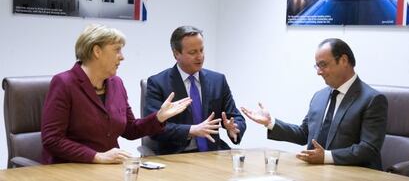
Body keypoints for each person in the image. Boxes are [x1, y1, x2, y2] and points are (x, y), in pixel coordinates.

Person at [41, 24, 192, 164]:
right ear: (97, 51)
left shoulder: (116, 83)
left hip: (108, 170)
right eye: (117, 50)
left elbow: (130, 129)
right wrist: (97, 156)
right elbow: (52, 139)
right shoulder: (64, 83)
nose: (122, 56)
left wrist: (159, 117)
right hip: (69, 169)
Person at [241, 38, 388, 170]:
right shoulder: (320, 96)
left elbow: (369, 149)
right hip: (317, 173)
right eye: (316, 66)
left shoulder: (372, 99)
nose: (318, 72)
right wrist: (270, 123)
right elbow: (304, 134)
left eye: (323, 65)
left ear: (343, 60)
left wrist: (326, 157)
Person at [144, 26, 246, 154]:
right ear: (176, 54)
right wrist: (191, 130)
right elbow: (153, 129)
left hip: (212, 153)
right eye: (193, 52)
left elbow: (236, 117)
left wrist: (235, 128)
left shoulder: (218, 80)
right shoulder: (158, 83)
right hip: (177, 156)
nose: (200, 57)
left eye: (201, 50)